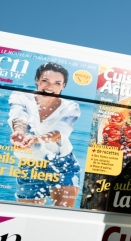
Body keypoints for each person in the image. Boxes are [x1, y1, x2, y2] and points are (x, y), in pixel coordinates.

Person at [8, 62, 81, 207]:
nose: (49, 87)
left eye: (57, 83)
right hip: (30, 165)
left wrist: (36, 139)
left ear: (63, 86)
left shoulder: (71, 107)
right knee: (27, 218)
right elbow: (19, 116)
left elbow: (59, 132)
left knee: (62, 217)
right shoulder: (21, 96)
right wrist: (19, 133)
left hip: (64, 164)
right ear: (37, 80)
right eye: (45, 81)